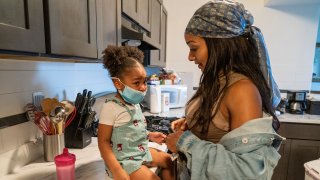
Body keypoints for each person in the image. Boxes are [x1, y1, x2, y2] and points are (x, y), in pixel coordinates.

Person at [165, 1, 285, 179]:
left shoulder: (242, 91)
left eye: (194, 48)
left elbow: (248, 173)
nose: (190, 57)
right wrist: (194, 122)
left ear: (219, 44)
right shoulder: (218, 81)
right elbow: (221, 124)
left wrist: (184, 142)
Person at [98, 45, 174, 180]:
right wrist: (116, 170)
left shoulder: (134, 103)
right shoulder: (110, 107)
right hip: (124, 160)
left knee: (169, 160)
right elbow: (103, 142)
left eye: (144, 81)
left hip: (140, 151)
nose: (143, 87)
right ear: (118, 83)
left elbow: (129, 130)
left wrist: (149, 135)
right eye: (136, 82)